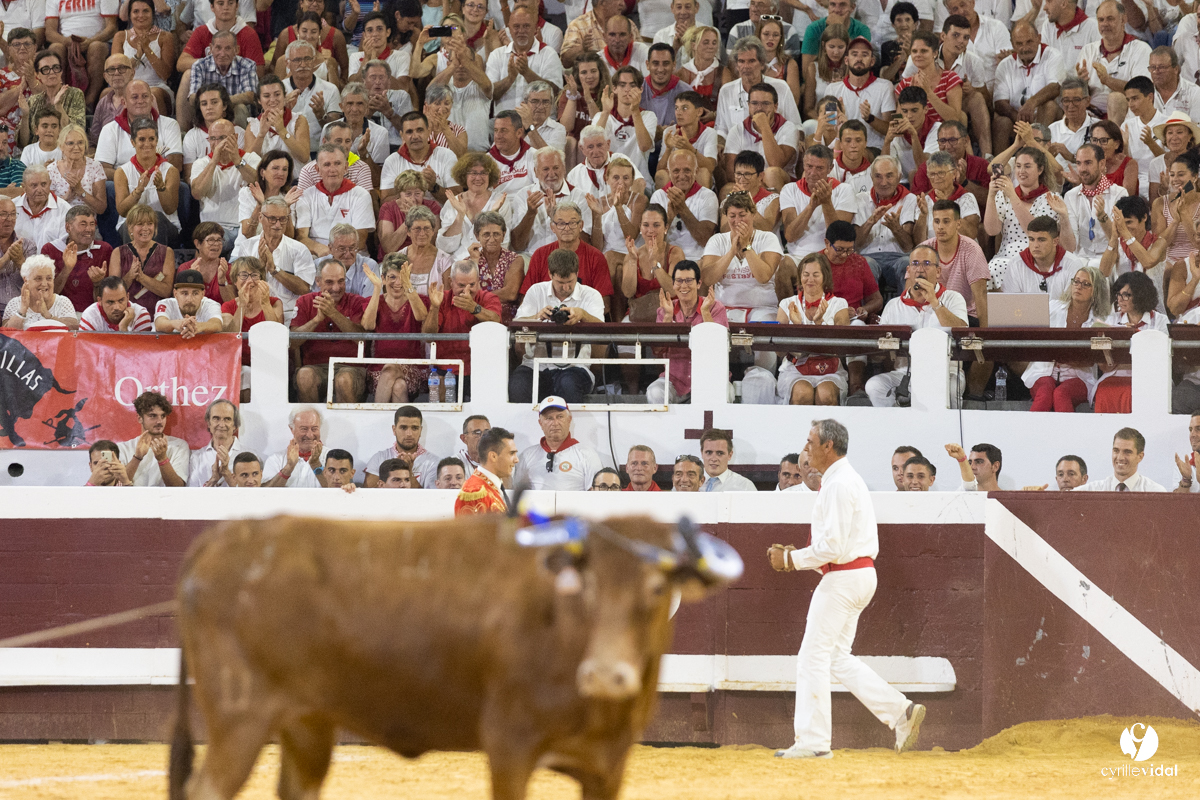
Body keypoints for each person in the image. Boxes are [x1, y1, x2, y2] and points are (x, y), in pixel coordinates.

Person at [770, 418, 925, 759]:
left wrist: (791, 560)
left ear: (828, 446)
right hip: (858, 575)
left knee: (812, 658)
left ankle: (812, 743)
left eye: (811, 442)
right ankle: (900, 712)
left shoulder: (839, 484)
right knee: (836, 658)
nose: (806, 448)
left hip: (844, 576)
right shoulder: (844, 480)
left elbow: (833, 547)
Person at [866, 245, 969, 407]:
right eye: (915, 264)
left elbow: (962, 331)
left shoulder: (953, 298)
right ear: (908, 270)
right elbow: (880, 350)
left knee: (950, 388)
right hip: (905, 373)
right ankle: (898, 427)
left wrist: (935, 303)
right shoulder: (893, 305)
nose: (920, 269)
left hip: (945, 372)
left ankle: (948, 430)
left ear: (938, 272)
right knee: (875, 386)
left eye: (927, 263)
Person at [511, 248, 605, 403]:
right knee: (518, 386)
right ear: (550, 274)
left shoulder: (591, 295)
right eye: (560, 283)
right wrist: (537, 317)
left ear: (577, 273)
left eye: (570, 282)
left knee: (568, 384)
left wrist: (583, 315)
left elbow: (602, 330)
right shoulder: (536, 291)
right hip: (536, 364)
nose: (566, 288)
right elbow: (517, 325)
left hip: (576, 367)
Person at [1020, 265, 1108, 412]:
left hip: (1079, 378)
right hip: (1044, 372)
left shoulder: (1100, 321)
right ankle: (1030, 433)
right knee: (1045, 392)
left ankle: (1067, 435)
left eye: (1085, 284)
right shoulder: (1051, 308)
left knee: (1061, 394)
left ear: (1095, 291)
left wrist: (1060, 354)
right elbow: (1030, 334)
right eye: (1076, 281)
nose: (1078, 287)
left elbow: (1091, 359)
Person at [984, 147, 1072, 290]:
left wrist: (1013, 196)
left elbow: (1035, 230)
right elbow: (992, 230)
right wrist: (991, 195)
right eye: (1018, 166)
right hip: (1007, 255)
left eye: (1027, 166)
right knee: (993, 267)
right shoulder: (1003, 195)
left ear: (1040, 169)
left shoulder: (1050, 198)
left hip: (1039, 257)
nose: (1021, 171)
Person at [650, 260, 729, 404]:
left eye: (688, 280)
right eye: (679, 281)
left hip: (710, 381)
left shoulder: (715, 307)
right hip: (674, 380)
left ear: (699, 283)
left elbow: (718, 347)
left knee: (722, 395)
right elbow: (657, 349)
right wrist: (668, 317)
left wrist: (705, 312)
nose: (684, 286)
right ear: (673, 285)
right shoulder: (665, 310)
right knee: (655, 392)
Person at [291, 260, 369, 403]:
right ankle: (311, 423)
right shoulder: (305, 301)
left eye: (341, 281)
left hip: (350, 368)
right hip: (315, 367)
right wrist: (316, 320)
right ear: (318, 281)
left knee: (343, 380)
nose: (336, 287)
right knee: (304, 376)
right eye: (329, 282)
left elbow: (361, 339)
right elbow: (293, 342)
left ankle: (348, 425)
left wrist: (333, 313)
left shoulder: (357, 301)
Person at [230, 196, 316, 325]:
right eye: (272, 219)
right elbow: (242, 284)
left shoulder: (299, 249)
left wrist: (274, 270)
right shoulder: (247, 246)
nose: (278, 224)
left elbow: (304, 288)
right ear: (260, 218)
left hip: (289, 314)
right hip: (255, 312)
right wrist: (260, 266)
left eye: (283, 219)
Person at [1094, 270, 1167, 413]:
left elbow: (1162, 358)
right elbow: (1103, 365)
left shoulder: (1160, 320)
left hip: (1148, 376)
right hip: (1115, 373)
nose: (1120, 300)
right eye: (1118, 294)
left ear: (1141, 295)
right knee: (1104, 390)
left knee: (1130, 392)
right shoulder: (1112, 320)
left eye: (1126, 295)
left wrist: (1136, 336)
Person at [991, 23, 1065, 155]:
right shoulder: (1005, 65)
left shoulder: (1052, 55)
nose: (1025, 48)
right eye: (1019, 43)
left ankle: (1037, 157)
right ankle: (999, 169)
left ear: (1039, 38)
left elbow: (1055, 87)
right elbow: (999, 103)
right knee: (1001, 122)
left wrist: (1031, 103)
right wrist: (1018, 117)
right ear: (1012, 45)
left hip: (1049, 118)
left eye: (1029, 42)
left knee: (1049, 106)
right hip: (1017, 120)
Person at [510, 147, 592, 257]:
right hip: (531, 257)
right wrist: (530, 214)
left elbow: (586, 243)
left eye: (556, 168)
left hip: (568, 258)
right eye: (545, 169)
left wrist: (557, 218)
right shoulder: (523, 196)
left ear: (564, 169)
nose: (551, 173)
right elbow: (518, 246)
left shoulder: (580, 197)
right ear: (536, 172)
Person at [781, 145, 857, 263]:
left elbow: (839, 238)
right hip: (797, 256)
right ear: (803, 165)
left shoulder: (844, 190)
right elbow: (790, 236)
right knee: (783, 265)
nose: (813, 173)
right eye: (809, 166)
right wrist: (811, 207)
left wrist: (826, 203)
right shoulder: (789, 189)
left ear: (830, 168)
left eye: (820, 168)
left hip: (830, 257)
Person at [94, 80, 185, 180]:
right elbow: (102, 169)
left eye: (145, 96)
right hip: (124, 186)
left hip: (159, 182)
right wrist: (134, 180)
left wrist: (149, 178)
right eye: (135, 97)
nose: (141, 101)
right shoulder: (109, 129)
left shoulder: (170, 125)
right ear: (124, 102)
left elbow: (176, 164)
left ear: (151, 99)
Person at [296, 146, 375, 258]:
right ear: (318, 170)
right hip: (317, 256)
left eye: (337, 163)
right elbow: (301, 237)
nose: (332, 169)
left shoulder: (361, 195)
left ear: (346, 167)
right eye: (327, 164)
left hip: (351, 256)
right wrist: (322, 250)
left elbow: (360, 241)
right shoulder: (305, 196)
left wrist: (335, 254)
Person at [855, 155, 918, 296]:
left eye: (889, 176)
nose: (883, 182)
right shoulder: (860, 200)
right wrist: (871, 221)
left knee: (907, 263)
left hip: (897, 257)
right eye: (878, 176)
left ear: (899, 176)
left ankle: (907, 310)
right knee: (865, 264)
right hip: (869, 256)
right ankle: (867, 313)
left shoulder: (909, 199)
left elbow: (908, 246)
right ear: (871, 177)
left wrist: (895, 228)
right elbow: (856, 244)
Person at [512, 396, 605, 491]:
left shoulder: (587, 455)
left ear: (569, 420)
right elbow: (517, 494)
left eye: (560, 417)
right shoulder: (527, 456)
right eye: (549, 418)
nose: (555, 423)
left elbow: (596, 496)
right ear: (540, 423)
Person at [720, 82, 799, 193]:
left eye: (765, 103)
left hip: (780, 184)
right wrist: (754, 184)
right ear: (748, 105)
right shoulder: (736, 130)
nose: (759, 108)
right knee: (726, 190)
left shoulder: (788, 128)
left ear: (775, 106)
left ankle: (775, 209)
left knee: (772, 173)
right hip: (746, 183)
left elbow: (776, 163)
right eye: (754, 103)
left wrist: (764, 127)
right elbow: (731, 173)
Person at [114, 118, 181, 246]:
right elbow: (122, 210)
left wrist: (161, 187)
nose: (147, 143)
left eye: (151, 139)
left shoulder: (170, 171)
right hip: (131, 225)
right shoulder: (122, 172)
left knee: (157, 218)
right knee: (134, 222)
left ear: (157, 141)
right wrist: (138, 191)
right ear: (133, 142)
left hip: (166, 224)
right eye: (142, 139)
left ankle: (157, 264)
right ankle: (134, 265)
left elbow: (170, 209)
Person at [486, 7, 563, 112]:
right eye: (516, 26)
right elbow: (490, 94)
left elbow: (555, 93)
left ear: (535, 28)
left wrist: (527, 73)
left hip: (539, 125)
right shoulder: (497, 55)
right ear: (509, 29)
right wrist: (510, 79)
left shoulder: (549, 54)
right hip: (505, 124)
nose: (521, 31)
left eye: (526, 26)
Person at [43, 206, 113, 314]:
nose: (89, 229)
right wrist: (67, 270)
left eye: (92, 224)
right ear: (68, 227)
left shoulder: (104, 250)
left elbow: (109, 302)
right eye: (83, 224)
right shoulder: (50, 249)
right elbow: (46, 296)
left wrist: (98, 283)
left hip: (93, 316)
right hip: (57, 315)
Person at [829, 37, 894, 152]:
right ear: (846, 60)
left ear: (872, 61)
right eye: (854, 54)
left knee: (855, 153)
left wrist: (870, 118)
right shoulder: (832, 89)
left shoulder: (885, 87)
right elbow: (829, 127)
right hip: (841, 146)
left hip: (872, 148)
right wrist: (839, 123)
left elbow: (889, 129)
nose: (859, 59)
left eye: (864, 55)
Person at [112, 0, 177, 115]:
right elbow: (115, 72)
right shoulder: (121, 36)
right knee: (107, 93)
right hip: (128, 88)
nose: (140, 15)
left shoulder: (165, 37)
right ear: (130, 15)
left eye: (145, 11)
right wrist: (137, 56)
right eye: (136, 11)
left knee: (152, 93)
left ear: (152, 13)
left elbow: (165, 74)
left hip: (157, 86)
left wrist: (147, 49)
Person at [380, 111, 458, 205]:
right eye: (409, 132)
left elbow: (458, 198)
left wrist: (434, 187)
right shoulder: (392, 161)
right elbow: (385, 202)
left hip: (442, 217)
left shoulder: (447, 156)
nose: (415, 136)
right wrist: (408, 192)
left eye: (420, 130)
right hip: (404, 217)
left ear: (428, 132)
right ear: (402, 135)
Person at [109, 204, 175, 313]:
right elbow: (113, 292)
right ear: (130, 227)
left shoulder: (167, 252)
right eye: (140, 224)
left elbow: (166, 291)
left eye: (150, 224)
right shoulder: (118, 253)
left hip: (158, 315)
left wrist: (142, 277)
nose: (145, 228)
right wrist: (130, 276)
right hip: (126, 313)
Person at [187, 33, 259, 131]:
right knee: (204, 108)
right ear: (211, 49)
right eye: (218, 48)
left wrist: (219, 104)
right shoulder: (199, 66)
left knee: (240, 108)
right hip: (209, 111)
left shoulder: (247, 65)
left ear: (236, 50)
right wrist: (213, 105)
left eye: (228, 48)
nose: (222, 53)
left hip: (234, 111)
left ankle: (240, 141)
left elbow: (249, 96)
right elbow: (192, 98)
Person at [117, 391, 190, 487]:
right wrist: (137, 457)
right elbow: (117, 487)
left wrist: (162, 459)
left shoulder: (179, 445)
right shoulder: (123, 448)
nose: (159, 421)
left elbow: (178, 487)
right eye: (152, 416)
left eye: (163, 416)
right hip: (132, 501)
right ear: (140, 418)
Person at [1003, 215, 1086, 297]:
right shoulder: (1015, 264)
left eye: (1041, 240)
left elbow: (1074, 304)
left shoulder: (1072, 264)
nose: (1035, 245)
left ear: (1055, 241)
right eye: (1031, 239)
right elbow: (1012, 303)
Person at [364, 406, 443, 488]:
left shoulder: (434, 463)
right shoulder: (378, 458)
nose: (409, 433)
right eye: (403, 428)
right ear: (394, 430)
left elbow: (431, 497)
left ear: (420, 431)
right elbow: (369, 494)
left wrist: (408, 471)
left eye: (415, 428)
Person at [656, 92, 717, 192]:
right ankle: (666, 206)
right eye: (676, 108)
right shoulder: (669, 132)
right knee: (661, 175)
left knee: (703, 173)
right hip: (675, 177)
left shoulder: (709, 133)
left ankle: (699, 205)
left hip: (696, 177)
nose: (679, 113)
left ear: (699, 112)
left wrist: (689, 148)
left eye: (684, 108)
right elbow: (659, 169)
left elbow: (710, 167)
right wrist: (668, 149)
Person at [244, 75, 311, 165]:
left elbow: (304, 157)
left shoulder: (298, 120)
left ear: (284, 95)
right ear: (259, 100)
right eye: (266, 96)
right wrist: (261, 135)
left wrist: (282, 130)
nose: (272, 100)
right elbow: (247, 162)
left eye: (277, 94)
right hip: (266, 178)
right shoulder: (253, 125)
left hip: (297, 177)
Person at [1074, 428, 1167, 491]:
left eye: (1127, 452)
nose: (1120, 457)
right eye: (1116, 451)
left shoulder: (1154, 492)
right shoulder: (1091, 492)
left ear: (1140, 456)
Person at [2, 255, 80, 330]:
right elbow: (6, 336)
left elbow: (74, 331)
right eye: (38, 278)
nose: (44, 284)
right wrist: (22, 310)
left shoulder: (63, 302)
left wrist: (49, 316)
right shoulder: (14, 303)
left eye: (49, 278)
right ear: (26, 280)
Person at [455, 426, 519, 515]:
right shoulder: (474, 492)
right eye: (511, 453)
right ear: (493, 456)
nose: (516, 460)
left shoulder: (490, 486)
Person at [47, 124, 106, 216]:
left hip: (87, 222)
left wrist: (80, 191)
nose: (76, 147)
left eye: (80, 143)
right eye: (70, 143)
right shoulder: (51, 169)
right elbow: (48, 208)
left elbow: (101, 208)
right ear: (61, 146)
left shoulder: (95, 166)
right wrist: (67, 197)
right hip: (60, 222)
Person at [263, 405, 327, 488]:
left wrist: (316, 465)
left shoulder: (333, 458)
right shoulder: (275, 460)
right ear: (292, 429)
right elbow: (264, 494)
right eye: (304, 429)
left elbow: (338, 493)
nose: (310, 435)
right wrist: (288, 468)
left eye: (314, 429)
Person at [187, 399, 246, 488]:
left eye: (227, 419)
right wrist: (213, 480)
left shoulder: (248, 455)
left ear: (234, 425)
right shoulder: (196, 458)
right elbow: (192, 496)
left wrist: (226, 473)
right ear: (208, 423)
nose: (221, 424)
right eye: (216, 418)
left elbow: (252, 495)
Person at [13, 165, 70, 254]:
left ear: (50, 184)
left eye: (43, 184)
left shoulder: (64, 209)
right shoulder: (12, 207)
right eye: (34, 185)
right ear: (24, 187)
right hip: (16, 264)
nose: (39, 190)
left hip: (53, 265)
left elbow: (66, 246)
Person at [154, 269, 225, 338]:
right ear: (175, 293)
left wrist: (197, 326)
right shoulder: (165, 303)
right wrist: (177, 323)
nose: (189, 299)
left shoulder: (211, 304)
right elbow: (159, 323)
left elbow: (217, 324)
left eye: (195, 293)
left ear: (203, 294)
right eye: (184, 293)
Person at [80, 276, 154, 332]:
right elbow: (86, 350)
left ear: (127, 297)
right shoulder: (90, 316)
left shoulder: (140, 314)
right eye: (110, 302)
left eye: (121, 300)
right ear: (100, 301)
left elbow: (141, 351)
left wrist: (123, 327)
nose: (117, 307)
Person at [1171, 412, 1200, 494]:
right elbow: (1177, 504)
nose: (1192, 435)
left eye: (1199, 429)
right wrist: (1186, 480)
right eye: (1191, 430)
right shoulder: (1184, 468)